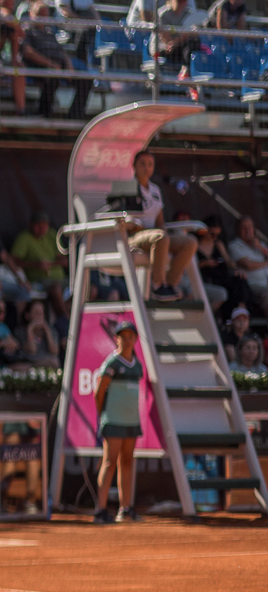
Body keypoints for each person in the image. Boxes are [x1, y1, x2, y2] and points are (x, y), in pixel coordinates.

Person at [117, 148, 196, 304]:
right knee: (161, 237)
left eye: (150, 165)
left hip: (157, 237)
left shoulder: (155, 190)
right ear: (133, 166)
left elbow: (160, 220)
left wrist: (164, 234)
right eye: (142, 164)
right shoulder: (126, 186)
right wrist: (159, 234)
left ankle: (171, 284)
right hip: (135, 236)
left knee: (190, 242)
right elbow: (123, 219)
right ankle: (157, 285)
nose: (147, 168)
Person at [92, 320, 143, 523]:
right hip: (113, 421)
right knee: (109, 462)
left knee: (127, 462)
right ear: (117, 339)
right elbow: (99, 393)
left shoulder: (137, 365)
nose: (127, 340)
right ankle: (100, 510)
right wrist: (104, 416)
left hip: (131, 421)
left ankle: (125, 509)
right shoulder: (111, 363)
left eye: (131, 336)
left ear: (136, 339)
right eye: (123, 336)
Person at [9, 211, 68, 313]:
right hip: (40, 281)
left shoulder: (52, 234)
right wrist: (36, 264)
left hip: (61, 278)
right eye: (38, 226)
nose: (41, 229)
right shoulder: (24, 237)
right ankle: (66, 320)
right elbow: (13, 261)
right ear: (31, 225)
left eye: (44, 226)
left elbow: (64, 261)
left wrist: (50, 263)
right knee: (55, 290)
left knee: (86, 289)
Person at [228, 215, 268, 311]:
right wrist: (266, 263)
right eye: (244, 228)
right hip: (252, 285)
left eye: (250, 227)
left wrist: (260, 247)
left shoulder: (260, 244)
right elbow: (248, 265)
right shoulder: (234, 246)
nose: (248, 230)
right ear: (237, 230)